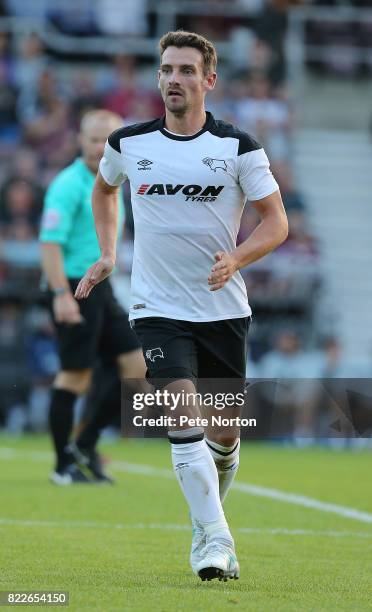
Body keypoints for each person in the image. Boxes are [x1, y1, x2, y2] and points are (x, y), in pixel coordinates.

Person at [75, 32, 288, 580]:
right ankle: (213, 539)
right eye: (167, 69)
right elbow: (103, 191)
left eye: (187, 71)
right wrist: (106, 251)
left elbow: (276, 222)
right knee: (181, 413)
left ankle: (206, 519)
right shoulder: (129, 143)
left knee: (223, 435)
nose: (174, 79)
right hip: (156, 308)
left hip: (222, 310)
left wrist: (237, 259)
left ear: (208, 80)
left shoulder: (238, 148)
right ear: (158, 78)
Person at [39, 109, 146, 485]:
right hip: (73, 286)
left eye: (108, 139)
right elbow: (50, 244)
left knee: (138, 369)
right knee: (75, 376)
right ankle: (61, 466)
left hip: (102, 287)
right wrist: (60, 295)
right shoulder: (68, 185)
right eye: (93, 139)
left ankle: (84, 444)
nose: (101, 146)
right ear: (80, 140)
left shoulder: (116, 179)